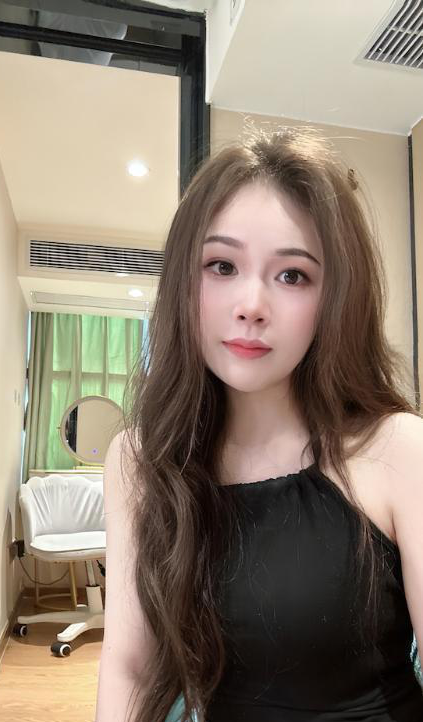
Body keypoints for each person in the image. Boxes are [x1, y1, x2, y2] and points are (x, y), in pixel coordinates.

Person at [94, 124, 423, 722]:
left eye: (292, 275)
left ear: (334, 300)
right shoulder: (140, 462)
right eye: (221, 265)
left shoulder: (398, 450)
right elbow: (130, 667)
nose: (251, 305)